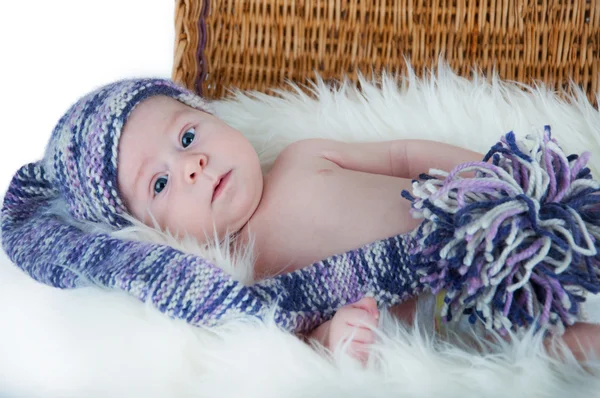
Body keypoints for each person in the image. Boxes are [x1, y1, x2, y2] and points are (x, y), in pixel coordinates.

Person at [2, 78, 599, 364]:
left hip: (494, 230)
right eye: (159, 184)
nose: (192, 166)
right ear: (150, 233)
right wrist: (338, 339)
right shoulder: (247, 272)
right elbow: (288, 334)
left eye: (187, 135)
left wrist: (488, 174)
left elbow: (401, 157)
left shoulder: (302, 155)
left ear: (212, 117)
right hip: (447, 315)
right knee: (540, 352)